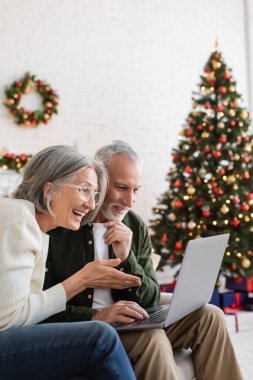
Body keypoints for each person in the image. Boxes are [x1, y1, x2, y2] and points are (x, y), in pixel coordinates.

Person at [44, 141, 243, 380]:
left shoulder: (134, 225)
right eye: (121, 187)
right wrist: (98, 315)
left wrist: (127, 257)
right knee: (152, 338)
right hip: (91, 326)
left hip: (133, 321)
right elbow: (44, 305)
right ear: (98, 181)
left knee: (211, 315)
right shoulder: (62, 224)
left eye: (136, 190)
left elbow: (151, 296)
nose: (130, 201)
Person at [0, 145, 139, 380]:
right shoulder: (20, 222)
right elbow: (8, 321)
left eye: (95, 194)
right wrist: (80, 281)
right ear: (50, 190)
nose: (92, 205)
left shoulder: (37, 228)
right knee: (99, 338)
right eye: (84, 190)